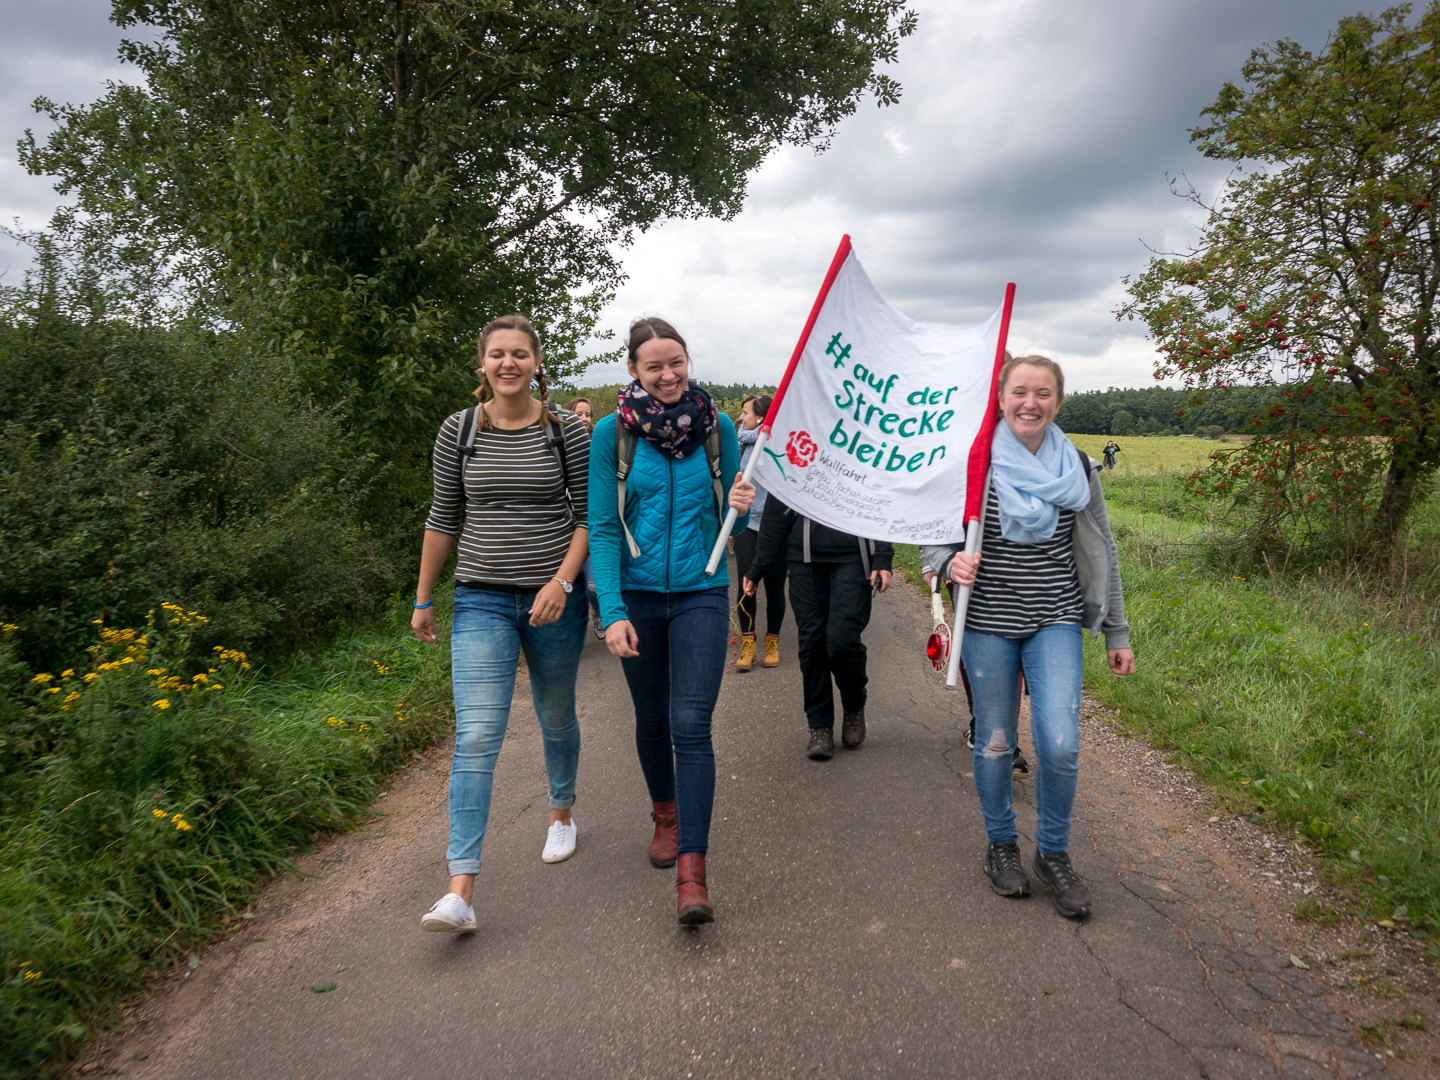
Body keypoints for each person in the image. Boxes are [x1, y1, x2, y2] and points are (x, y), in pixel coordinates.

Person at [922, 354, 1134, 919]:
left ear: (1058, 402)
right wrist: (948, 564)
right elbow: (934, 538)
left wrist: (1117, 630)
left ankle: (1054, 854)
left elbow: (1101, 551)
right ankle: (1001, 846)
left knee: (1061, 745)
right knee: (995, 740)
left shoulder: (1080, 469)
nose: (1030, 403)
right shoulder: (974, 462)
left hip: (1055, 619)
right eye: (1020, 391)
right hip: (987, 623)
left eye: (1043, 393)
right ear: (1001, 397)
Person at [411, 314, 592, 934]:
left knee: (555, 713)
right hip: (480, 599)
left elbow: (590, 519)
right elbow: (443, 515)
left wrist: (561, 583)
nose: (508, 363)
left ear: (536, 363)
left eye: (519, 354)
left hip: (553, 602)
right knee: (478, 734)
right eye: (497, 354)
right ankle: (460, 889)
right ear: (483, 365)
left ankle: (561, 812)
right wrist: (423, 597)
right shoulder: (457, 430)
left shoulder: (566, 430)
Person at [588, 317, 755, 925]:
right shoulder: (611, 435)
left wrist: (740, 506)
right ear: (633, 370)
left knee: (691, 723)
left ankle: (692, 872)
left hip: (702, 593)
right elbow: (603, 526)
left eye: (676, 362)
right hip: (635, 597)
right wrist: (611, 614)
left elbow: (733, 516)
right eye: (654, 365)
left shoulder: (720, 428)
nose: (667, 374)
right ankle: (665, 813)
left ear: (689, 362)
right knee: (652, 719)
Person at [744, 500, 892, 760]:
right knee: (812, 642)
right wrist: (759, 566)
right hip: (804, 557)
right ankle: (819, 725)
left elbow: (880, 495)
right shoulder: (795, 458)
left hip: (854, 556)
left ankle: (854, 702)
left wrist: (882, 555)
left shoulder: (864, 456)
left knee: (842, 638)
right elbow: (778, 507)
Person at [733, 394, 787, 671]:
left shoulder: (778, 445)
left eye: (745, 413)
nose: (741, 417)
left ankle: (772, 643)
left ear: (762, 418)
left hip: (774, 527)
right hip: (746, 524)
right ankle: (747, 643)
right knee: (746, 585)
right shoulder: (741, 442)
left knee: (775, 587)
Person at [565, 398, 604, 638]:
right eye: (579, 413)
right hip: (562, 527)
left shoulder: (596, 446)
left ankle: (597, 613)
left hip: (589, 523)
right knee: (565, 582)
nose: (584, 419)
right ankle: (570, 633)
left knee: (593, 587)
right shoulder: (554, 444)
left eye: (587, 414)